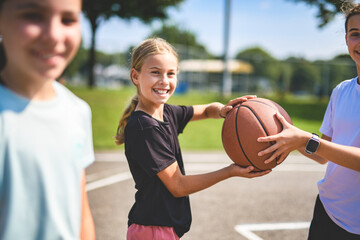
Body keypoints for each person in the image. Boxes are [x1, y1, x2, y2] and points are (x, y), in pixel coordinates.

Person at [115, 37, 271, 240]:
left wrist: (224, 110)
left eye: (171, 74)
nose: (164, 81)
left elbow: (206, 110)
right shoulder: (146, 128)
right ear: (135, 76)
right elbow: (178, 186)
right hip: (153, 230)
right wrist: (230, 171)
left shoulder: (166, 113)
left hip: (160, 228)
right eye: (155, 72)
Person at [257, 4, 360, 240]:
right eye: (355, 34)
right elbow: (324, 154)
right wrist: (289, 138)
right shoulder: (341, 91)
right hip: (328, 210)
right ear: (346, 40)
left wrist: (305, 139)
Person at [0, 0, 95, 239]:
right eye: (33, 15)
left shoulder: (78, 111)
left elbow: (81, 213)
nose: (54, 35)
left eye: (68, 20)